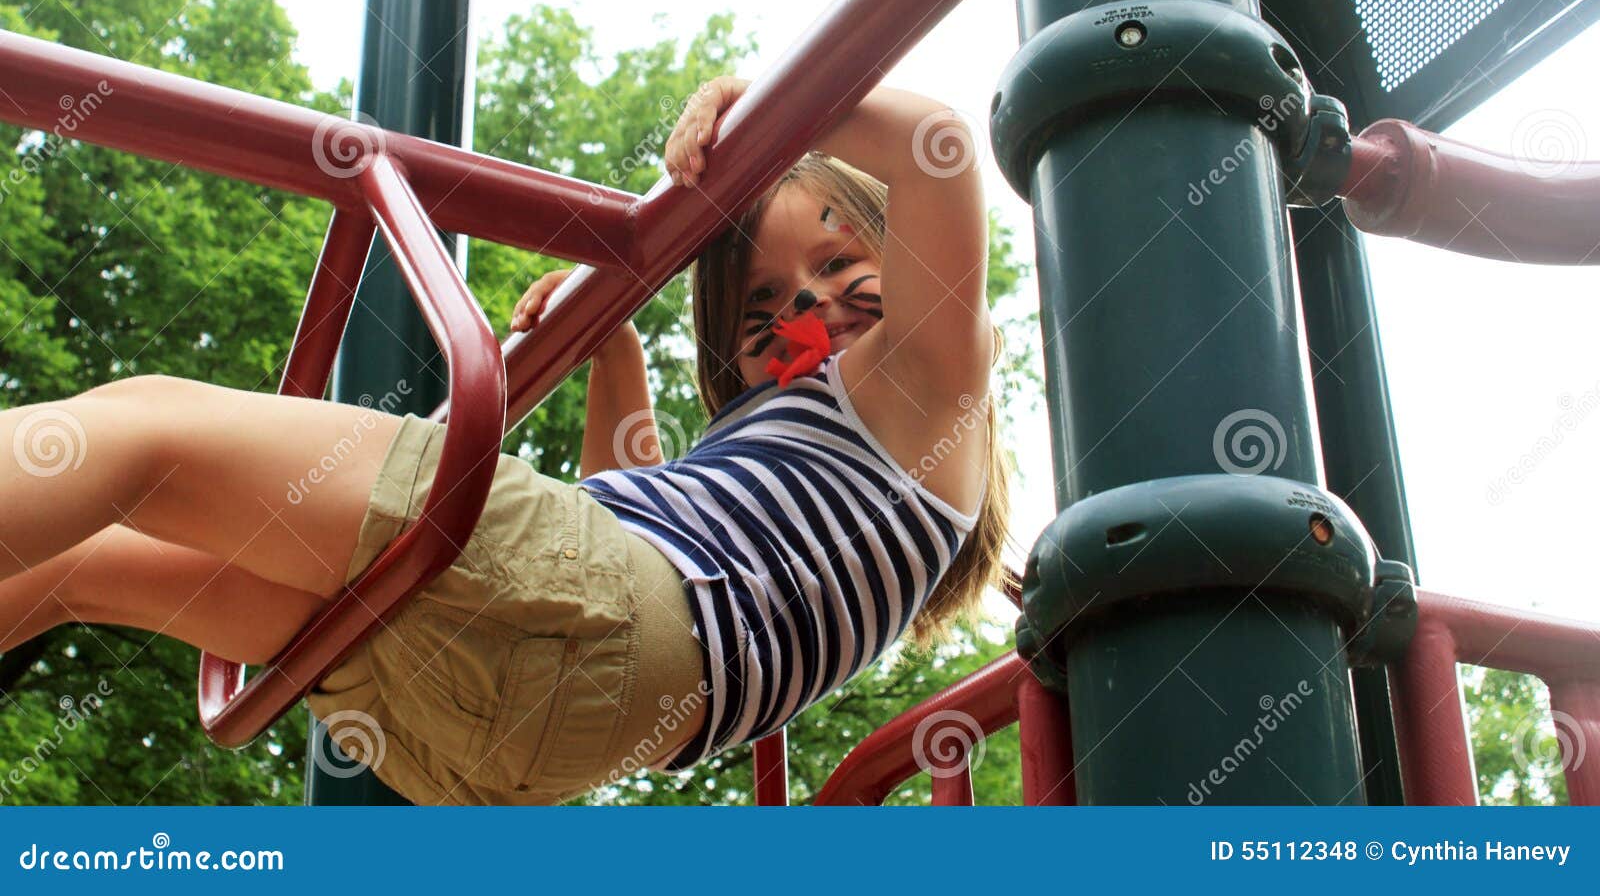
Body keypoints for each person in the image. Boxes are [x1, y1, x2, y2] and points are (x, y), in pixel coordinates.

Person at [0, 76, 1015, 804]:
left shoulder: (918, 384)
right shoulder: (781, 481)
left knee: (143, 430)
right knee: (84, 567)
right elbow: (626, 516)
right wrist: (609, 348)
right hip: (514, 739)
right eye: (759, 295)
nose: (803, 297)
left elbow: (939, 145)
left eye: (840, 257)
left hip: (603, 640)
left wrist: (770, 106)